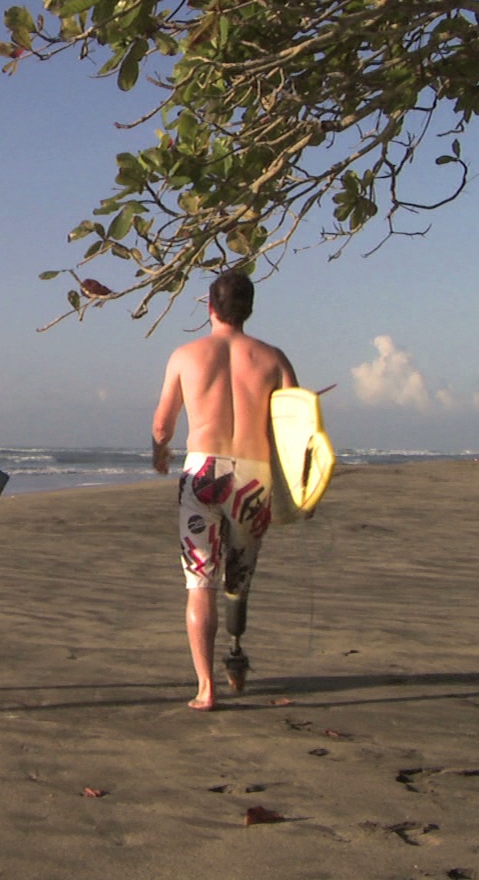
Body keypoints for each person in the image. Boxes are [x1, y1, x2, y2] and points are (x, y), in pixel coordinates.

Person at [150, 270, 298, 711]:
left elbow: (162, 424)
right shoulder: (273, 358)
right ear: (248, 309)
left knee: (200, 583)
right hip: (254, 477)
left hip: (204, 475)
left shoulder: (185, 355)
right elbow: (295, 426)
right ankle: (235, 649)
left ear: (209, 307)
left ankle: (205, 687)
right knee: (238, 578)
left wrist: (160, 454)